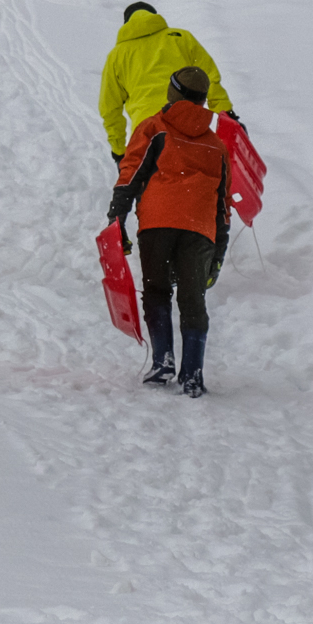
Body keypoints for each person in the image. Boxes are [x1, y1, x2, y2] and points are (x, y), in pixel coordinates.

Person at [107, 67, 231, 397]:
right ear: (203, 100)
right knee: (193, 300)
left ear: (172, 93)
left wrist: (117, 215)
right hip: (200, 229)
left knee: (157, 290)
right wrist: (218, 253)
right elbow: (222, 206)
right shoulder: (216, 146)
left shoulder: (154, 128)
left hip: (158, 223)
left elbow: (132, 172)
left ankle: (163, 360)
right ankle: (193, 375)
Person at [99, 1, 244, 164]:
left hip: (147, 133)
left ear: (127, 24)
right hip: (188, 126)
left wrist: (118, 150)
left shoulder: (116, 56)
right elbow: (208, 78)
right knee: (195, 176)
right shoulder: (182, 38)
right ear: (154, 17)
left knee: (153, 178)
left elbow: (110, 108)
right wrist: (225, 112)